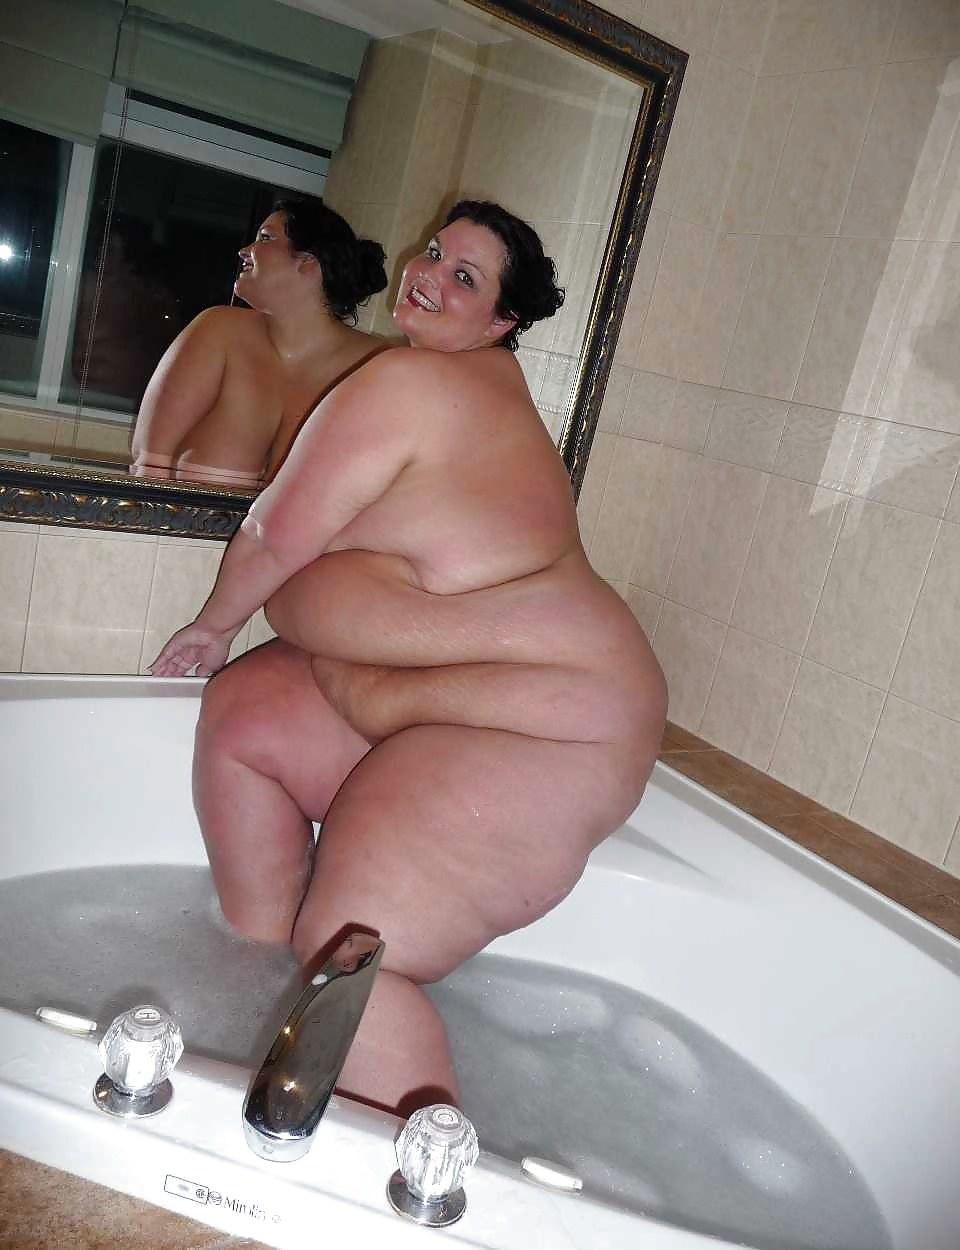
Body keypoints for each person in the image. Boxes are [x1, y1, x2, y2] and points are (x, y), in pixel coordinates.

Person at [151, 201, 667, 1116]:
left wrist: (212, 625)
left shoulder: (414, 383)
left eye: (465, 277)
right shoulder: (462, 386)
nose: (428, 276)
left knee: (354, 959)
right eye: (434, 253)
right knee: (247, 715)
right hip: (464, 701)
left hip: (540, 733)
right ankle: (253, 981)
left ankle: (422, 1178)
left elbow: (277, 531)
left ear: (501, 322)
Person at [130, 198, 388, 489]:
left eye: (265, 238)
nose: (243, 251)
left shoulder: (374, 364)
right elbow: (149, 467)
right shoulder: (219, 331)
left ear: (308, 261)